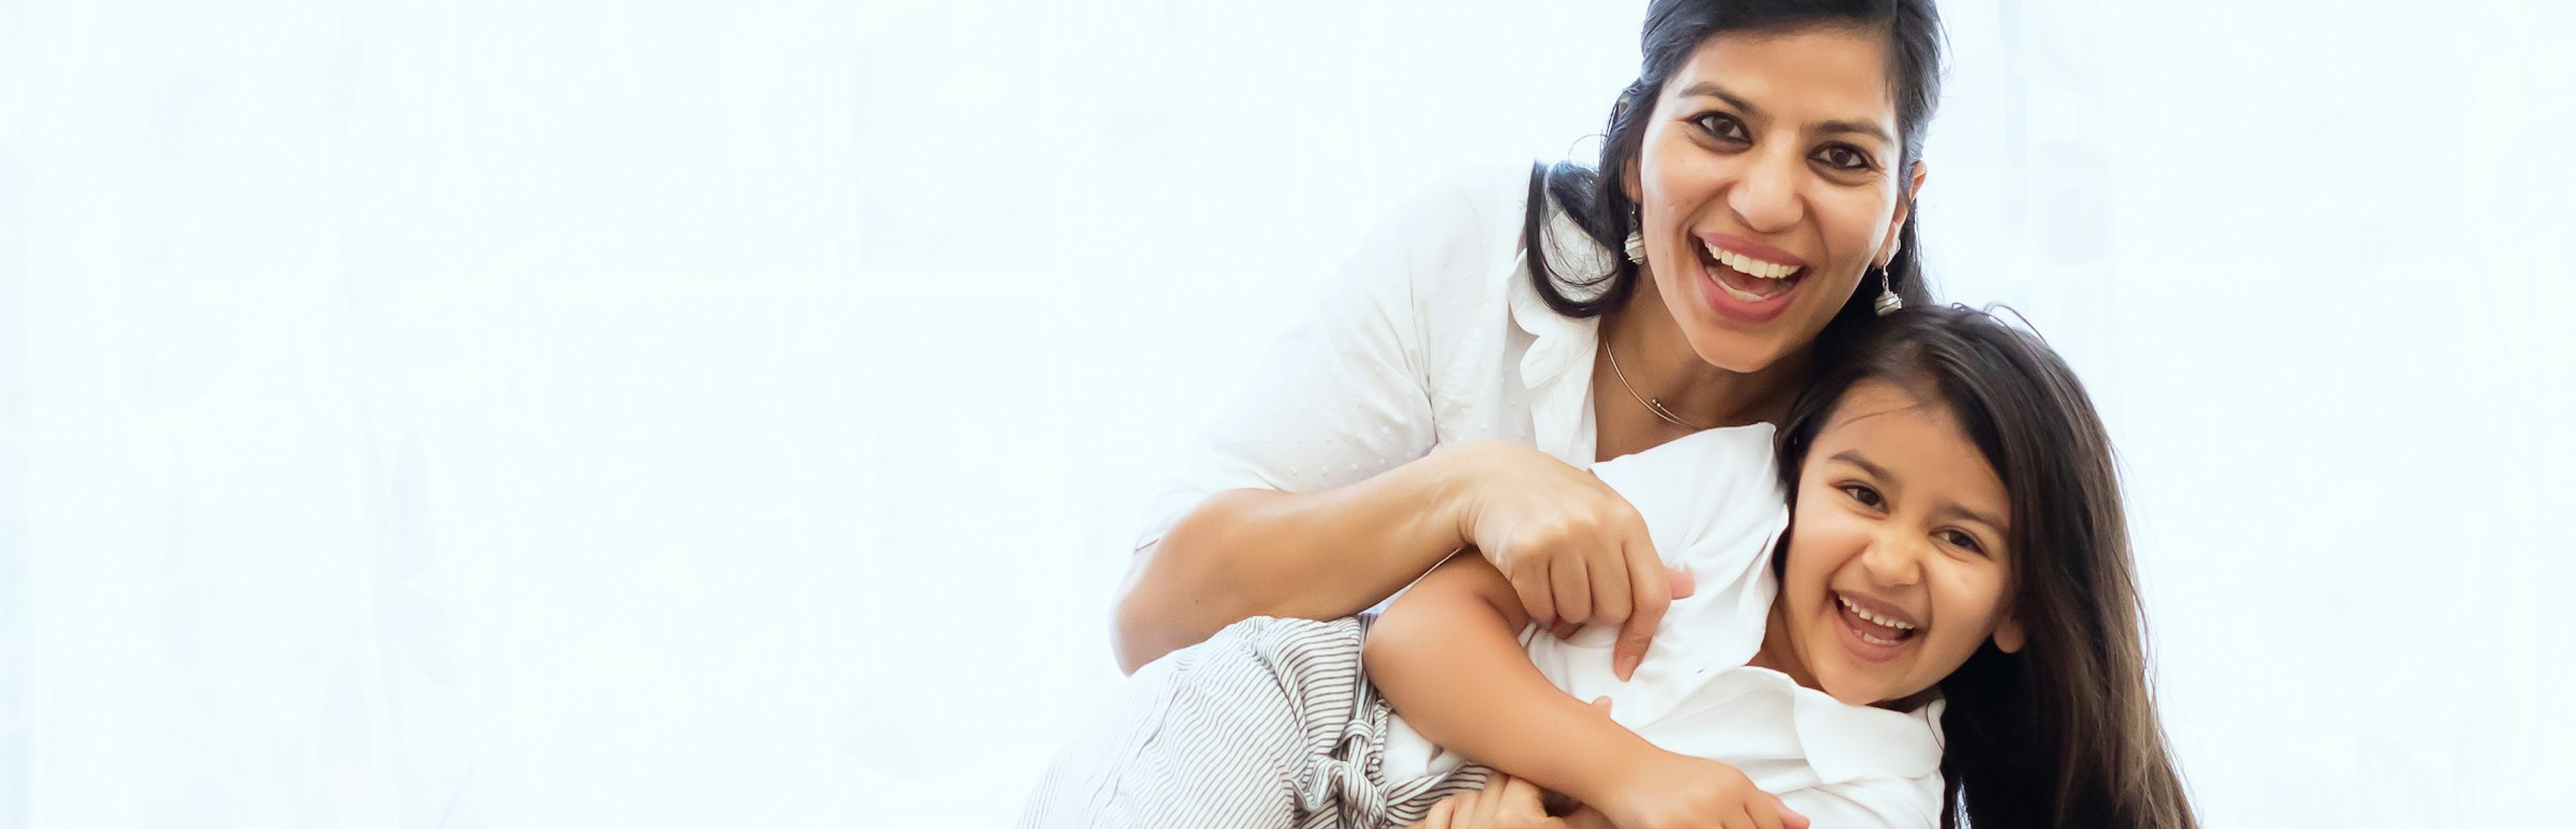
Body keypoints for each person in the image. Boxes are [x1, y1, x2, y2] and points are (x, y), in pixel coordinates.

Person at [1024, 307, 2198, 829]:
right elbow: (1412, 635)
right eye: (1861, 494)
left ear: (2019, 613)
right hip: (1306, 720)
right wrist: (1629, 776)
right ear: (1803, 477)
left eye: (1961, 539)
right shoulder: (1735, 492)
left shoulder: (1875, 799)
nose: (1890, 557)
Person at [1114, 0, 1946, 685]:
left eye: (1840, 157)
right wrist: (1466, 489)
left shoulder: (1930, 454)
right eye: (1722, 127)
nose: (1767, 203)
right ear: (1633, 145)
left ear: (1898, 210)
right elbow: (1153, 621)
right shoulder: (1470, 254)